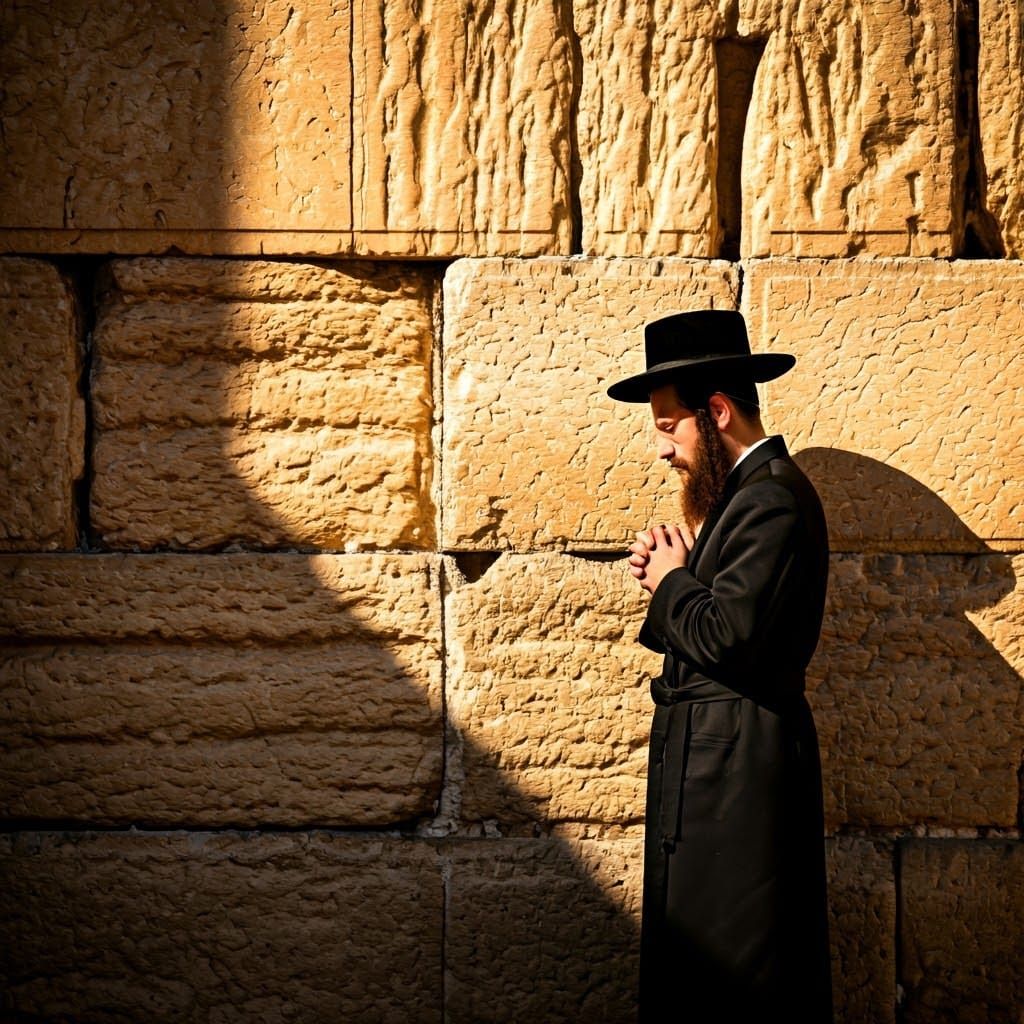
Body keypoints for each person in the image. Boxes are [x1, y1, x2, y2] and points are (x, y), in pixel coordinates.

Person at [606, 309, 834, 1022]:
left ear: (717, 412)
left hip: (739, 786)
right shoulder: (745, 500)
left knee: (738, 985)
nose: (663, 449)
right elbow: (714, 625)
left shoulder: (772, 500)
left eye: (669, 426)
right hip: (717, 775)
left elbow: (730, 637)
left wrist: (675, 580)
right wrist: (673, 575)